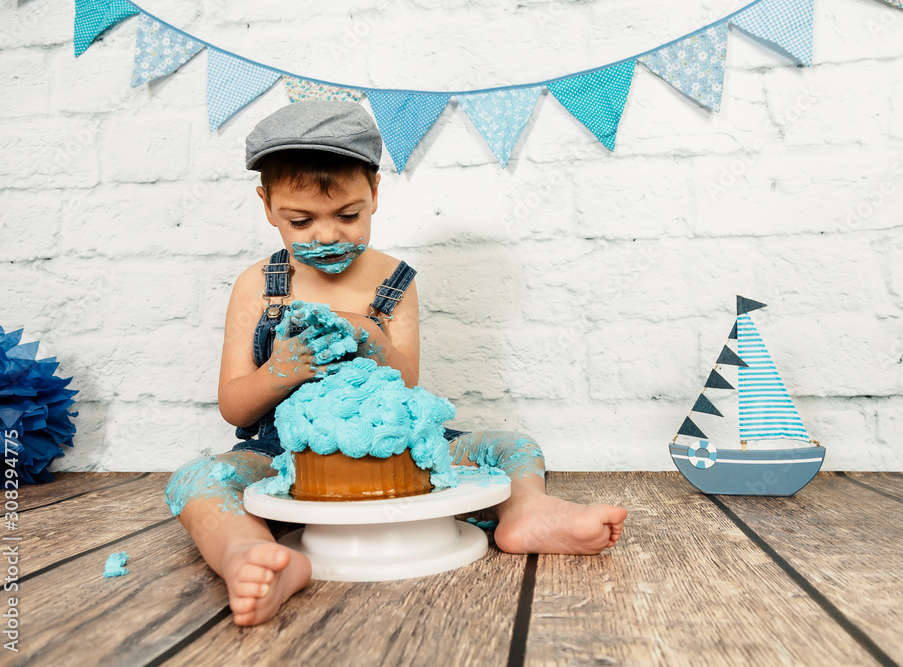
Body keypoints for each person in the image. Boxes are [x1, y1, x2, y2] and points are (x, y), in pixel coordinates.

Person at [165, 101, 628, 626]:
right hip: (290, 455)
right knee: (197, 479)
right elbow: (234, 408)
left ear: (375, 196)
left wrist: (369, 335)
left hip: (397, 448)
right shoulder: (259, 287)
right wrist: (282, 369)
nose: (327, 235)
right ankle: (247, 555)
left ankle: (525, 513)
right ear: (267, 206)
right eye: (301, 221)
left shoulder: (394, 282)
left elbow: (407, 381)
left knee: (513, 446)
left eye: (348, 216)